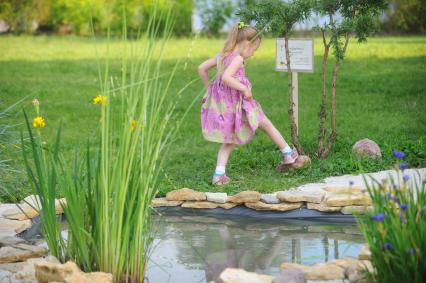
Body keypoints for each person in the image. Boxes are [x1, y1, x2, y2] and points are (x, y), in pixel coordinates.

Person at [198, 22, 298, 186]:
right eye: (254, 49)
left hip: (228, 107)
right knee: (266, 124)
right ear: (246, 44)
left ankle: (219, 175)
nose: (253, 53)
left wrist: (209, 88)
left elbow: (201, 68)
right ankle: (288, 154)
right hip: (241, 103)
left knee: (229, 140)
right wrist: (244, 89)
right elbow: (226, 77)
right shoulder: (237, 59)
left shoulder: (221, 56)